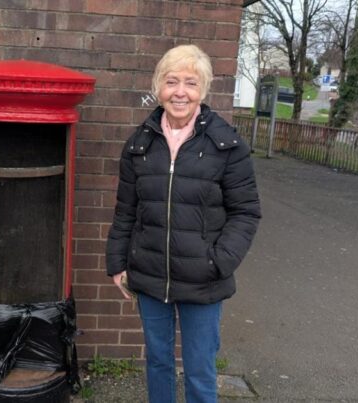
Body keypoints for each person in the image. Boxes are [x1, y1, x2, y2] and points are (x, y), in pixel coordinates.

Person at [105, 44, 261, 403]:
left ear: (203, 90)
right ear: (158, 87)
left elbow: (246, 212)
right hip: (150, 274)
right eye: (171, 81)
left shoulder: (227, 145)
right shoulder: (139, 145)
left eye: (191, 83)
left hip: (203, 279)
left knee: (200, 369)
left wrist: (219, 262)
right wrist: (117, 263)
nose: (180, 92)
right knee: (158, 362)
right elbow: (126, 210)